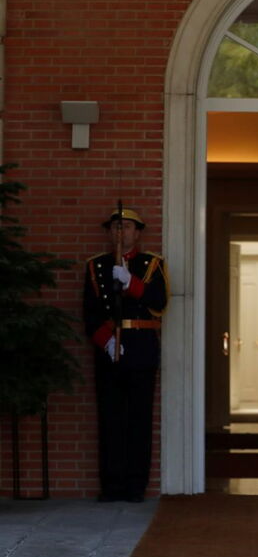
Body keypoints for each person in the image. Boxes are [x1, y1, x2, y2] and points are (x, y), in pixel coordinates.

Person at [83, 208, 168, 503]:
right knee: (110, 420)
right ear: (109, 232)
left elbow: (159, 301)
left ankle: (135, 487)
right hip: (110, 350)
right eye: (116, 227)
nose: (122, 232)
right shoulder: (96, 266)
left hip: (141, 347)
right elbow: (90, 313)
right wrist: (106, 341)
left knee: (139, 420)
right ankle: (112, 486)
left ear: (138, 233)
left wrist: (130, 282)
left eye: (128, 227)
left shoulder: (151, 264)